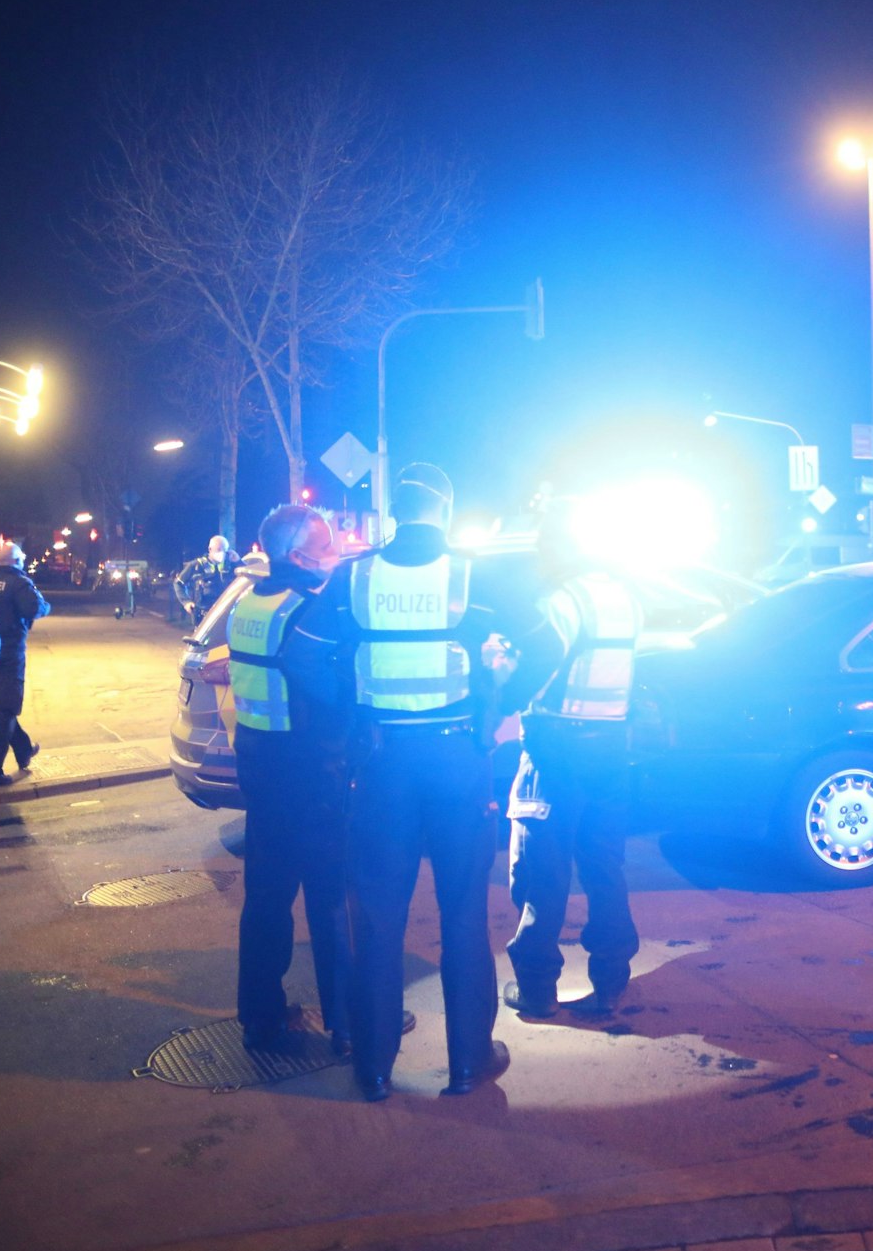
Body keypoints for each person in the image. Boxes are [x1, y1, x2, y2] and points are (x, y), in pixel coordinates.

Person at [325, 463, 506, 1101]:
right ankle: (467, 1063)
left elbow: (317, 657)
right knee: (462, 913)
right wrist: (492, 713)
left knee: (376, 918)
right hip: (457, 759)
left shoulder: (355, 575)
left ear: (394, 511)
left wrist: (346, 728)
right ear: (446, 512)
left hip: (381, 763)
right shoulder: (472, 575)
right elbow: (530, 647)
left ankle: (373, 1070)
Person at [498, 505, 642, 1020]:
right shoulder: (623, 598)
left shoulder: (565, 599)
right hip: (610, 749)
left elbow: (537, 663)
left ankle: (537, 991)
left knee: (542, 872)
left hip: (557, 750)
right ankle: (610, 982)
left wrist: (502, 679)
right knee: (605, 869)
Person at [227, 505, 356, 1053]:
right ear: (298, 555)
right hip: (305, 769)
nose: (337, 548)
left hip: (260, 764)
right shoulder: (309, 609)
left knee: (266, 897)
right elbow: (332, 690)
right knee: (331, 899)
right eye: (326, 542)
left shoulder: (248, 604)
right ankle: (351, 1022)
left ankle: (260, 1015)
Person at [0, 540, 51, 785]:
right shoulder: (20, 583)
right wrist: (44, 605)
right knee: (6, 707)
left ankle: (23, 750)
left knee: (1, 705)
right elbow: (35, 608)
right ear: (18, 561)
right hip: (9, 654)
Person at [175, 535, 239, 626]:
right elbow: (178, 583)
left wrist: (238, 561)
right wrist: (186, 602)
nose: (221, 553)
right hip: (203, 615)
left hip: (225, 614)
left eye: (224, 550)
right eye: (219, 549)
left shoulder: (230, 567)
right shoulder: (197, 565)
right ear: (210, 549)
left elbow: (247, 577)